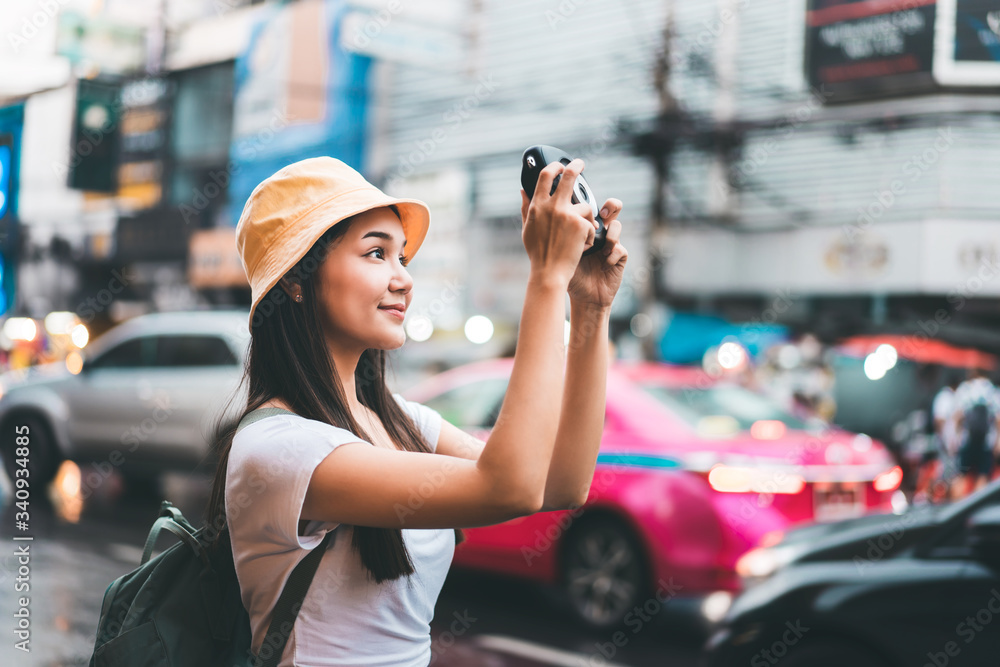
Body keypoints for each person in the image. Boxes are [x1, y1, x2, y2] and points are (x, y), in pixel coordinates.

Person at [203, 156, 627, 666]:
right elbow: (507, 487)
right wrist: (544, 279)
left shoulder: (400, 421)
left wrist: (591, 305)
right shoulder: (278, 448)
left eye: (402, 258)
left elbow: (560, 485)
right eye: (376, 253)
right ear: (296, 279)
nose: (403, 279)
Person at [952, 367, 1000, 498]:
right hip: (986, 443)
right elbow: (998, 420)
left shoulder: (965, 389)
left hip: (966, 440)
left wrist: (954, 438)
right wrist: (997, 442)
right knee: (983, 476)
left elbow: (958, 416)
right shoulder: (992, 390)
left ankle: (956, 511)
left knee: (961, 475)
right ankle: (977, 512)